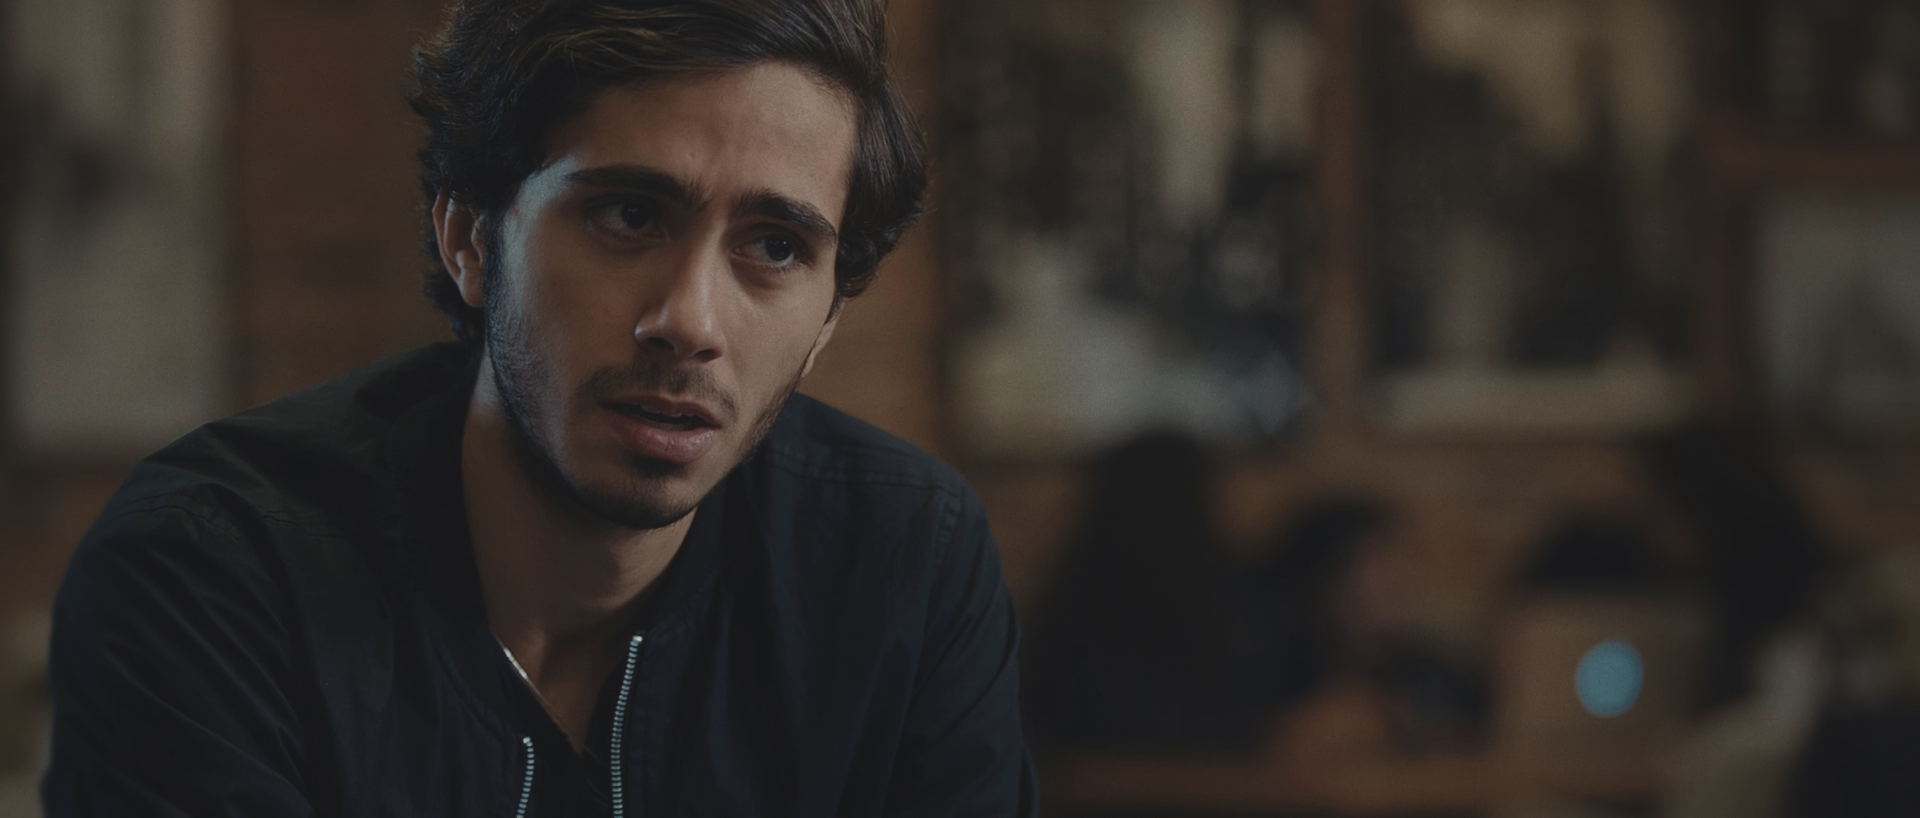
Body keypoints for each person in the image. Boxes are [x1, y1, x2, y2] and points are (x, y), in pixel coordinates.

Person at [40, 1, 1036, 815]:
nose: (690, 321)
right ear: (472, 240)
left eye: (775, 246)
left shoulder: (904, 561)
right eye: (628, 214)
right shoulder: (207, 570)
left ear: (825, 323)